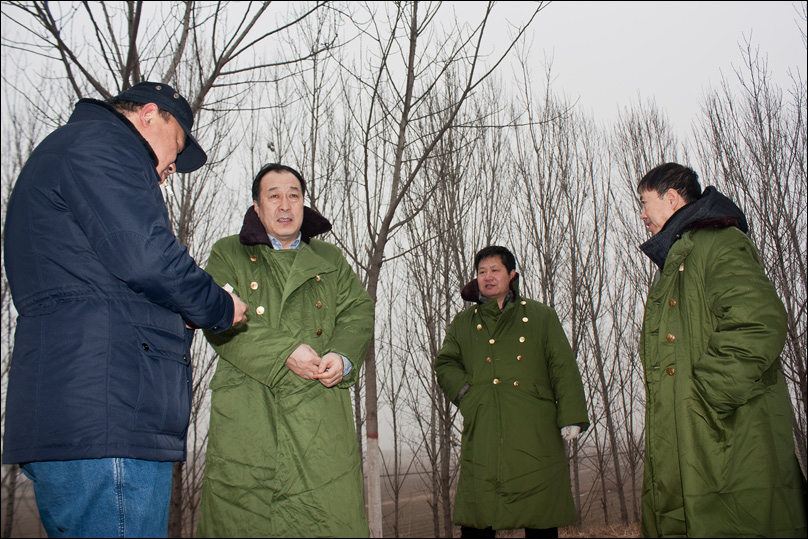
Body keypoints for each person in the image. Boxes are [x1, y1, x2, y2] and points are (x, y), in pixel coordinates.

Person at [2, 81, 248, 538]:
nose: (169, 170)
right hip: (109, 411)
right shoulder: (104, 145)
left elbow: (98, 276)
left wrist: (178, 310)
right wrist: (217, 304)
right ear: (149, 115)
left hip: (78, 411)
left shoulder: (69, 151)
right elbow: (146, 255)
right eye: (176, 148)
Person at [196, 163, 374, 538]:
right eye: (273, 195)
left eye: (294, 195)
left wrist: (342, 356)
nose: (285, 204)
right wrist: (286, 352)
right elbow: (218, 318)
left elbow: (358, 311)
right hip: (249, 410)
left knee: (325, 519)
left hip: (319, 414)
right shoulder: (228, 253)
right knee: (245, 519)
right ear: (257, 206)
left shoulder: (330, 258)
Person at [635, 162, 807, 537]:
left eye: (645, 203)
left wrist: (706, 397)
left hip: (727, 433)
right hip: (695, 438)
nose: (642, 215)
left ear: (672, 198)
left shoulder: (718, 243)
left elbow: (759, 320)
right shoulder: (679, 260)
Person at [434, 245, 589, 539]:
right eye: (482, 271)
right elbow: (445, 363)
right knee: (479, 514)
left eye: (495, 270)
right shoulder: (464, 323)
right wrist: (469, 395)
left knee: (540, 514)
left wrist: (571, 416)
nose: (488, 277)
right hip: (484, 429)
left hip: (535, 430)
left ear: (512, 275)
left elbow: (562, 366)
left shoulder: (541, 316)